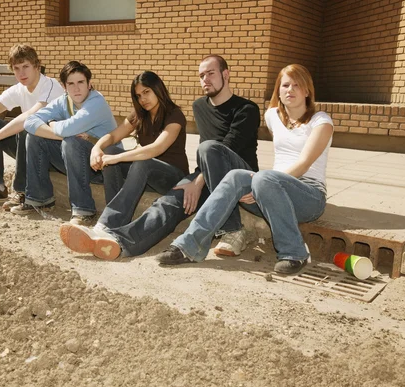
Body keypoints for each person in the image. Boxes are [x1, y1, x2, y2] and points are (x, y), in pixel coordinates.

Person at [58, 55, 260, 261]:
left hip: (238, 174)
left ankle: (232, 230)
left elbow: (223, 151)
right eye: (201, 75)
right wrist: (98, 147)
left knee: (162, 160)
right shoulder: (200, 106)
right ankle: (117, 239)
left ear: (226, 74)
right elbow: (116, 135)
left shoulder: (247, 109)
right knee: (167, 204)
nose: (205, 79)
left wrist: (198, 181)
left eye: (211, 73)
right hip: (204, 173)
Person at [156, 64, 334, 275]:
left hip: (308, 197)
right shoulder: (273, 116)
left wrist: (262, 183)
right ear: (278, 91)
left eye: (297, 85)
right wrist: (262, 186)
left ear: (307, 90)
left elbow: (304, 164)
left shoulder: (321, 121)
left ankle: (294, 253)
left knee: (264, 178)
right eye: (285, 85)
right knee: (234, 177)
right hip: (270, 193)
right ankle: (188, 246)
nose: (290, 90)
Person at [59, 71, 189, 258]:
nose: (143, 99)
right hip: (147, 168)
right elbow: (113, 136)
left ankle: (106, 225)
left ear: (158, 89)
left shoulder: (175, 115)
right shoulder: (139, 114)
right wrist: (98, 148)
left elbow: (156, 149)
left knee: (137, 161)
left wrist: (118, 158)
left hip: (173, 176)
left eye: (146, 92)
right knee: (111, 151)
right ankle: (114, 220)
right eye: (138, 95)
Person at [13, 61, 119, 222]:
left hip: (104, 167)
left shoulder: (97, 102)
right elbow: (29, 122)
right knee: (34, 137)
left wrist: (54, 125)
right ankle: (40, 199)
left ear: (90, 84)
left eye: (81, 82)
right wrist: (62, 135)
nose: (76, 88)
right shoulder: (64, 101)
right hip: (78, 161)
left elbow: (68, 128)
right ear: (64, 86)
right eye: (71, 83)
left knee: (71, 142)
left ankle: (84, 211)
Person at [0, 44, 64, 210]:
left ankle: (23, 191)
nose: (21, 73)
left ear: (37, 67)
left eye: (26, 67)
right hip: (29, 148)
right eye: (16, 68)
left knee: (29, 127)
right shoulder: (18, 89)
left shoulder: (50, 86)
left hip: (54, 151)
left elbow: (29, 117)